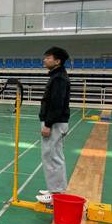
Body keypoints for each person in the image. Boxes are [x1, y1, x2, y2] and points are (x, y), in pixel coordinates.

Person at [36, 47, 71, 204]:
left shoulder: (59, 79)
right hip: (55, 122)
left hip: (55, 123)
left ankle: (56, 193)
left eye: (48, 58)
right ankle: (54, 189)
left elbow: (56, 104)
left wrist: (48, 124)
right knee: (51, 155)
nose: (45, 60)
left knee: (53, 156)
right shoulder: (56, 76)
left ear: (57, 61)